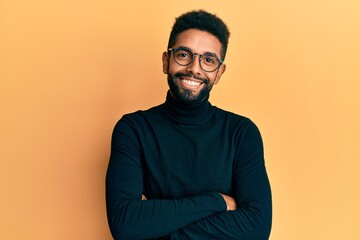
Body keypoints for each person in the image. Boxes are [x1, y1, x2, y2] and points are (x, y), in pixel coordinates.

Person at [106, 10, 272, 240]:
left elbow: (257, 229)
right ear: (166, 61)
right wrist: (217, 201)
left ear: (219, 73)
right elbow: (125, 226)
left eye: (208, 60)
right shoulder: (133, 130)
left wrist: (154, 225)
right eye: (184, 55)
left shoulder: (242, 133)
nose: (195, 68)